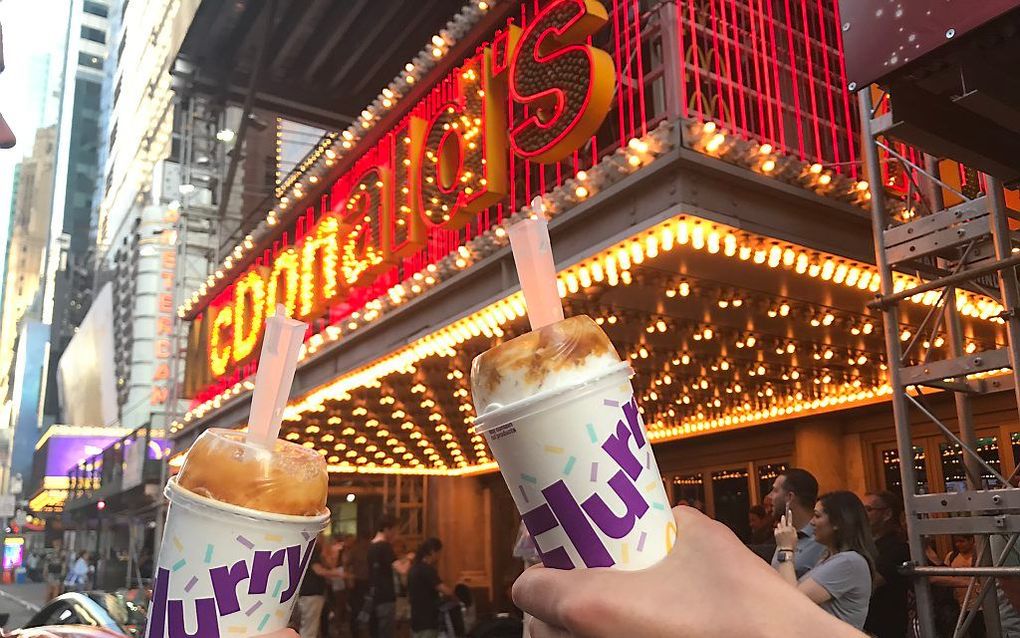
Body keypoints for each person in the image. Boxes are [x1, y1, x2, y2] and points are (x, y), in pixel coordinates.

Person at [513, 506, 868, 637]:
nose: (814, 521)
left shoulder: (849, 563)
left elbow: (790, 601)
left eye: (820, 515)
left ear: (840, 523)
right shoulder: (822, 558)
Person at [775, 491, 875, 630]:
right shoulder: (828, 557)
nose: (811, 522)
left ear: (837, 522)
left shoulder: (849, 562)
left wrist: (785, 548)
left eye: (817, 516)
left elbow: (792, 602)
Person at [862, 491, 910, 638]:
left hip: (884, 628)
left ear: (887, 514)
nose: (862, 515)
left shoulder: (896, 547)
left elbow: (870, 583)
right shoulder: (865, 544)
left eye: (868, 510)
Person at [767, 468, 825, 578]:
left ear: (789, 497)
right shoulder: (784, 535)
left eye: (775, 491)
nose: (769, 496)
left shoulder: (821, 540)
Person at [367, 515, 411, 638]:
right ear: (387, 529)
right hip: (386, 597)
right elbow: (402, 570)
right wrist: (410, 559)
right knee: (386, 633)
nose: (396, 534)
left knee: (375, 632)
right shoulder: (384, 546)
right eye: (395, 530)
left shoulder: (371, 547)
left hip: (374, 598)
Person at [297, 534, 342, 638]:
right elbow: (319, 571)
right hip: (312, 593)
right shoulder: (312, 551)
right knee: (309, 628)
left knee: (310, 626)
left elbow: (328, 566)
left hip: (309, 593)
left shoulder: (309, 550)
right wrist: (339, 574)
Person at [407, 538, 453, 638]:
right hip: (428, 621)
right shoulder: (427, 570)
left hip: (416, 621)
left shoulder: (413, 569)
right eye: (439, 553)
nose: (440, 556)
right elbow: (444, 590)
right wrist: (455, 595)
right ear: (432, 552)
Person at [344, 534, 371, 638]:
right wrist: (349, 579)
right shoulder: (355, 551)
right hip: (357, 582)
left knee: (366, 607)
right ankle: (355, 632)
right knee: (356, 608)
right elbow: (346, 564)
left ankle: (363, 629)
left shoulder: (370, 550)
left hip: (367, 582)